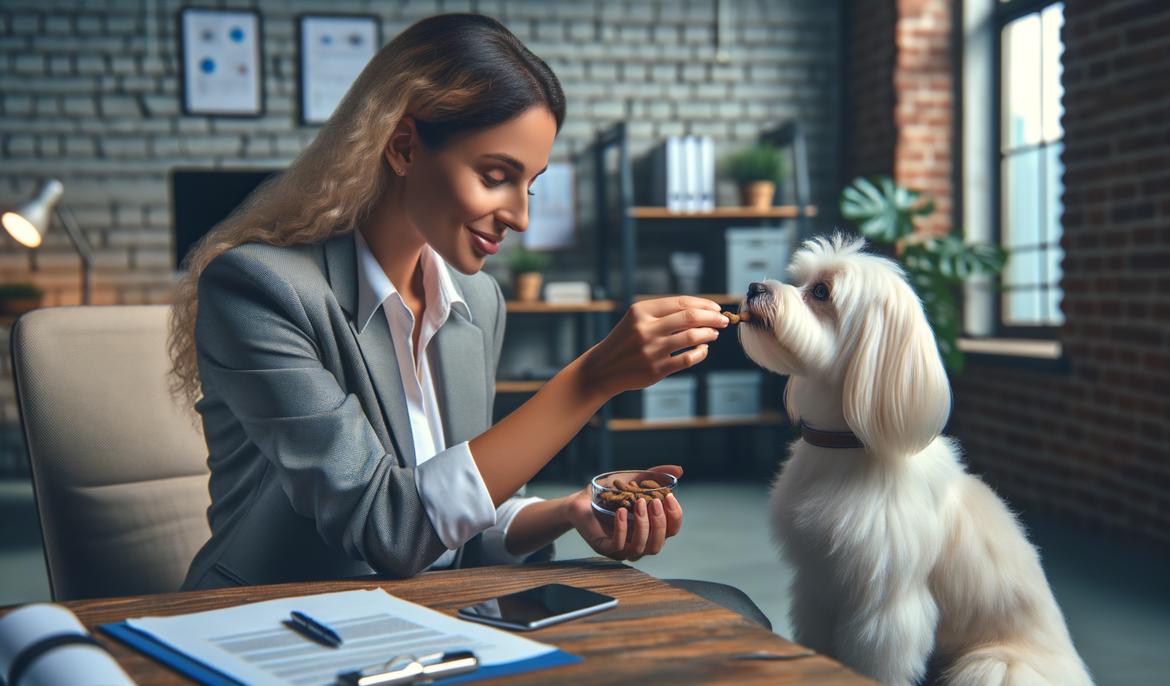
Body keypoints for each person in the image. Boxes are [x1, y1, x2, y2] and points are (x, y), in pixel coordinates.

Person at [167, 13, 767, 628]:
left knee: (733, 612)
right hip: (283, 622)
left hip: (428, 612)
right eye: (496, 176)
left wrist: (566, 511)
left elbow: (453, 521)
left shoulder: (476, 303)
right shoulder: (259, 291)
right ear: (403, 147)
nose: (520, 217)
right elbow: (391, 526)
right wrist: (592, 379)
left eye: (529, 185)